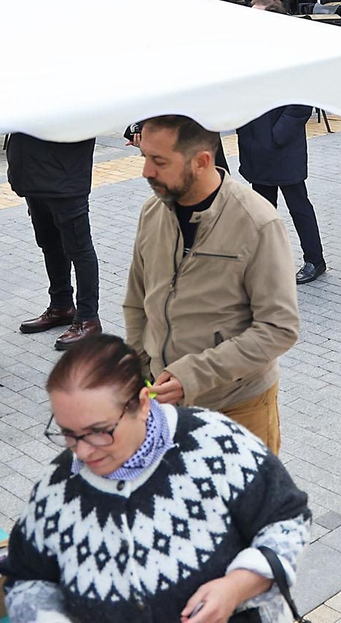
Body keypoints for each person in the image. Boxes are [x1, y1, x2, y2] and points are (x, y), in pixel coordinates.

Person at [1, 334, 310, 623]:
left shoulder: (214, 443)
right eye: (69, 433)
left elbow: (287, 519)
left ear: (143, 404)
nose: (81, 451)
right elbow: (26, 578)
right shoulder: (56, 489)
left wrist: (237, 586)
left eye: (99, 431)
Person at [126, 115, 300, 452]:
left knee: (243, 505)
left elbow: (279, 328)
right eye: (144, 157)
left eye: (159, 161)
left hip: (238, 407)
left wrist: (192, 376)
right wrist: (141, 370)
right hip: (166, 404)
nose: (146, 171)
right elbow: (137, 301)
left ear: (202, 162)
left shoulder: (257, 222)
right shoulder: (152, 213)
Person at [239, 0, 326, 286]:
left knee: (298, 205)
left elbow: (301, 104)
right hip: (254, 143)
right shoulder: (246, 51)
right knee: (261, 209)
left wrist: (276, 137)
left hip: (281, 146)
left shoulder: (292, 53)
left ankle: (315, 259)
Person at [9, 133, 102, 349]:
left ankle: (88, 319)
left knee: (80, 251)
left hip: (65, 177)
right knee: (50, 246)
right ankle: (61, 306)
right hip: (32, 175)